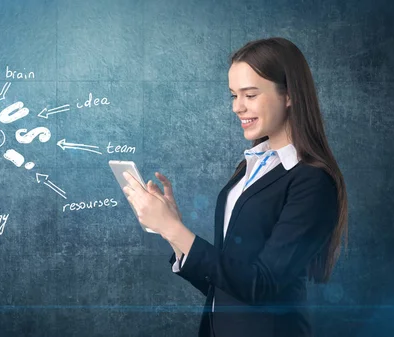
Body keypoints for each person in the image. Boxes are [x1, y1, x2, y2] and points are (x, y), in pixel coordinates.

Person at [122, 37, 348, 337]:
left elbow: (262, 285)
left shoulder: (312, 181)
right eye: (233, 95)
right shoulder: (250, 167)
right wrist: (171, 229)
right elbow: (227, 283)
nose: (237, 107)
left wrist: (173, 229)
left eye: (250, 95)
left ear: (290, 95)